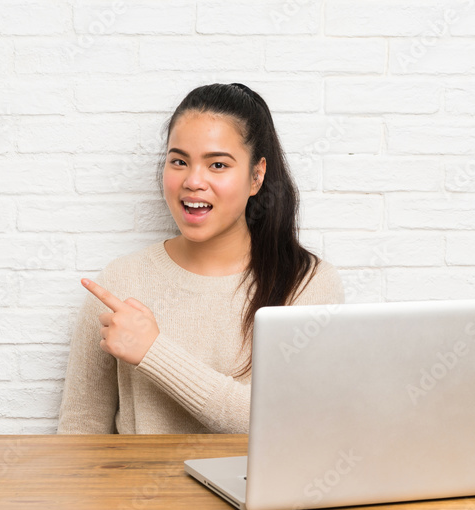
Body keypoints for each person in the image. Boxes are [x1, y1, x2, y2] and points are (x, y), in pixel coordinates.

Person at [57, 83, 345, 434]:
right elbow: (80, 429)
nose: (193, 181)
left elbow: (293, 424)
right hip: (142, 474)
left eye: (218, 165)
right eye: (179, 161)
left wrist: (153, 351)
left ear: (256, 176)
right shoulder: (120, 281)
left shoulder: (308, 284)